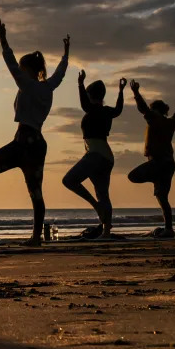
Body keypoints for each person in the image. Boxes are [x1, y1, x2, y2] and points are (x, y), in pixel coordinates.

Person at [0, 19, 69, 246]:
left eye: (22, 69)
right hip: (37, 142)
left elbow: (10, 64)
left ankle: (35, 237)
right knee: (36, 193)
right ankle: (36, 237)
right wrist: (66, 55)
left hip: (23, 142)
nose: (19, 72)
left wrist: (3, 39)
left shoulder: (27, 85)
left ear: (29, 70)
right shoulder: (48, 87)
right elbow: (60, 74)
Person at [62, 71, 126, 239]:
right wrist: (120, 91)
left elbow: (84, 105)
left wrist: (80, 84)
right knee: (103, 194)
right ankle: (106, 232)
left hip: (96, 154)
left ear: (90, 95)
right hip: (106, 156)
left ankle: (96, 207)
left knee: (69, 180)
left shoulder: (93, 109)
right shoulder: (107, 111)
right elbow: (119, 109)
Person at [127, 80, 175, 238]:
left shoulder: (154, 118)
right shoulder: (170, 122)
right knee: (162, 198)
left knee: (132, 176)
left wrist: (136, 92)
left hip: (158, 163)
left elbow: (143, 109)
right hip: (169, 164)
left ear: (156, 110)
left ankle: (155, 178)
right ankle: (168, 229)